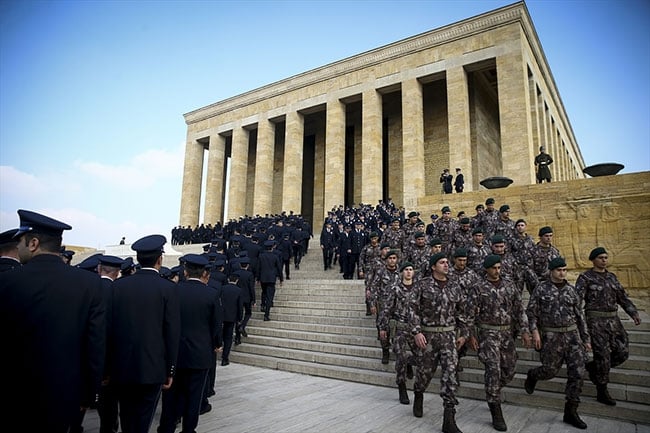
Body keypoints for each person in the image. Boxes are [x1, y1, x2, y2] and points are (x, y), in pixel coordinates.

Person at [0, 210, 106, 433]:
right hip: (64, 394)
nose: (17, 247)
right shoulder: (89, 283)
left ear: (33, 243)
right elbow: (95, 344)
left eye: (20, 241)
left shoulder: (7, 281)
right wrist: (89, 393)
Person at [109, 234, 181, 433]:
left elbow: (108, 328)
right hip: (153, 367)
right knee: (143, 418)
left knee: (126, 415)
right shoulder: (168, 289)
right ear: (160, 259)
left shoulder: (118, 286)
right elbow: (172, 333)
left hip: (121, 365)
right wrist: (171, 370)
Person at [157, 254, 222, 433]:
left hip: (174, 353)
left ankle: (166, 428)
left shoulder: (173, 290)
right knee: (194, 397)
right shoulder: (211, 294)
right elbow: (216, 325)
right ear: (204, 274)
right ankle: (188, 429)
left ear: (185, 272)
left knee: (170, 396)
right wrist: (217, 344)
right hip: (200, 354)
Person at [525, 257, 591, 430]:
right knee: (549, 371)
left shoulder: (571, 291)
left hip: (572, 336)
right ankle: (533, 375)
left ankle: (571, 411)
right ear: (551, 271)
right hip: (551, 337)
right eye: (559, 270)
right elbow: (531, 312)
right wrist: (534, 331)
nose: (562, 273)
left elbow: (580, 317)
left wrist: (586, 339)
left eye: (564, 270)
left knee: (577, 373)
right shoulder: (541, 289)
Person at [467, 255, 530, 431]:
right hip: (488, 334)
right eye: (494, 268)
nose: (497, 271)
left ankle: (492, 388)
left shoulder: (509, 285)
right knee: (493, 369)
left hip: (507, 334)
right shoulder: (478, 287)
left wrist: (525, 330)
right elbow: (469, 314)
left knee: (510, 369)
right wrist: (471, 335)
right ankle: (495, 409)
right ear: (487, 269)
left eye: (499, 267)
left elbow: (519, 309)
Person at [575, 247, 642, 406]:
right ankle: (602, 390)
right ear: (593, 260)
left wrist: (633, 312)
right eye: (600, 258)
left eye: (606, 257)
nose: (604, 260)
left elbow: (622, 298)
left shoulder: (612, 277)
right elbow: (577, 301)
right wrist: (579, 323)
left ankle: (593, 367)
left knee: (622, 352)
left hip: (614, 321)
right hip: (596, 323)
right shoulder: (586, 277)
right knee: (603, 357)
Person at [409, 253, 467, 433]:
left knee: (450, 375)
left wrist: (464, 334)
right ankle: (418, 393)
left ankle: (449, 418)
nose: (446, 265)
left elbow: (463, 311)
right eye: (442, 263)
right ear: (433, 266)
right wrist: (417, 331)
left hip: (449, 337)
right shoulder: (422, 285)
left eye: (447, 263)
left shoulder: (455, 285)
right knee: (424, 374)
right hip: (429, 337)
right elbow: (412, 309)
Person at [378, 262, 418, 405]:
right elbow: (387, 308)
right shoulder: (395, 289)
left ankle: (409, 362)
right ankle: (402, 388)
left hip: (415, 330)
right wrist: (383, 327)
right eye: (406, 270)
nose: (408, 272)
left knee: (422, 356)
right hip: (400, 328)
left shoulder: (419, 288)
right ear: (401, 272)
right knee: (400, 358)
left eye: (411, 269)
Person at [368, 249, 401, 364]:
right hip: (384, 307)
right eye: (390, 258)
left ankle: (399, 353)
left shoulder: (401, 273)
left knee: (398, 331)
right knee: (383, 330)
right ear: (386, 260)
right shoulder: (381, 272)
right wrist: (372, 304)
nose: (392, 261)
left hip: (398, 308)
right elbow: (374, 288)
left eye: (394, 258)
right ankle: (385, 350)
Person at [220, 273, 243, 366]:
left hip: (221, 315)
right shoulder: (239, 290)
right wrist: (239, 318)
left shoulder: (222, 288)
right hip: (231, 317)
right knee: (228, 338)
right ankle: (225, 358)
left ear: (229, 279)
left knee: (219, 334)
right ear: (237, 280)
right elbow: (240, 306)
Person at [258, 240, 283, 321]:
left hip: (263, 277)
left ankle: (262, 304)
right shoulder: (275, 256)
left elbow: (259, 268)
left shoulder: (261, 256)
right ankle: (266, 314)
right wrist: (281, 278)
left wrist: (258, 278)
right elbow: (279, 268)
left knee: (264, 292)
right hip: (271, 278)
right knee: (269, 296)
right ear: (272, 248)